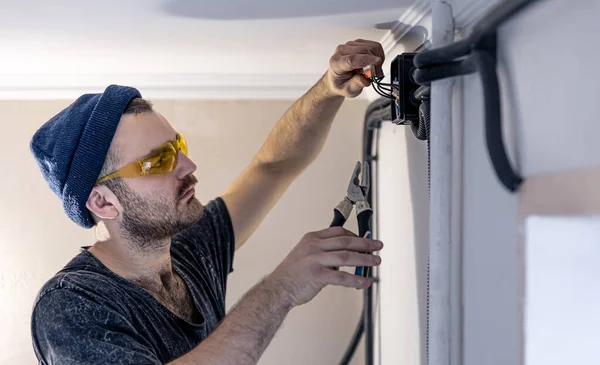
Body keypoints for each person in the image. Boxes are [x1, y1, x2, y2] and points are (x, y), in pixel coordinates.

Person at [29, 39, 385, 365]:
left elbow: (271, 168)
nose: (189, 166)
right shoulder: (71, 305)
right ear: (103, 203)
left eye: (177, 147)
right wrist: (283, 287)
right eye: (157, 161)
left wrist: (328, 89)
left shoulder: (191, 250)